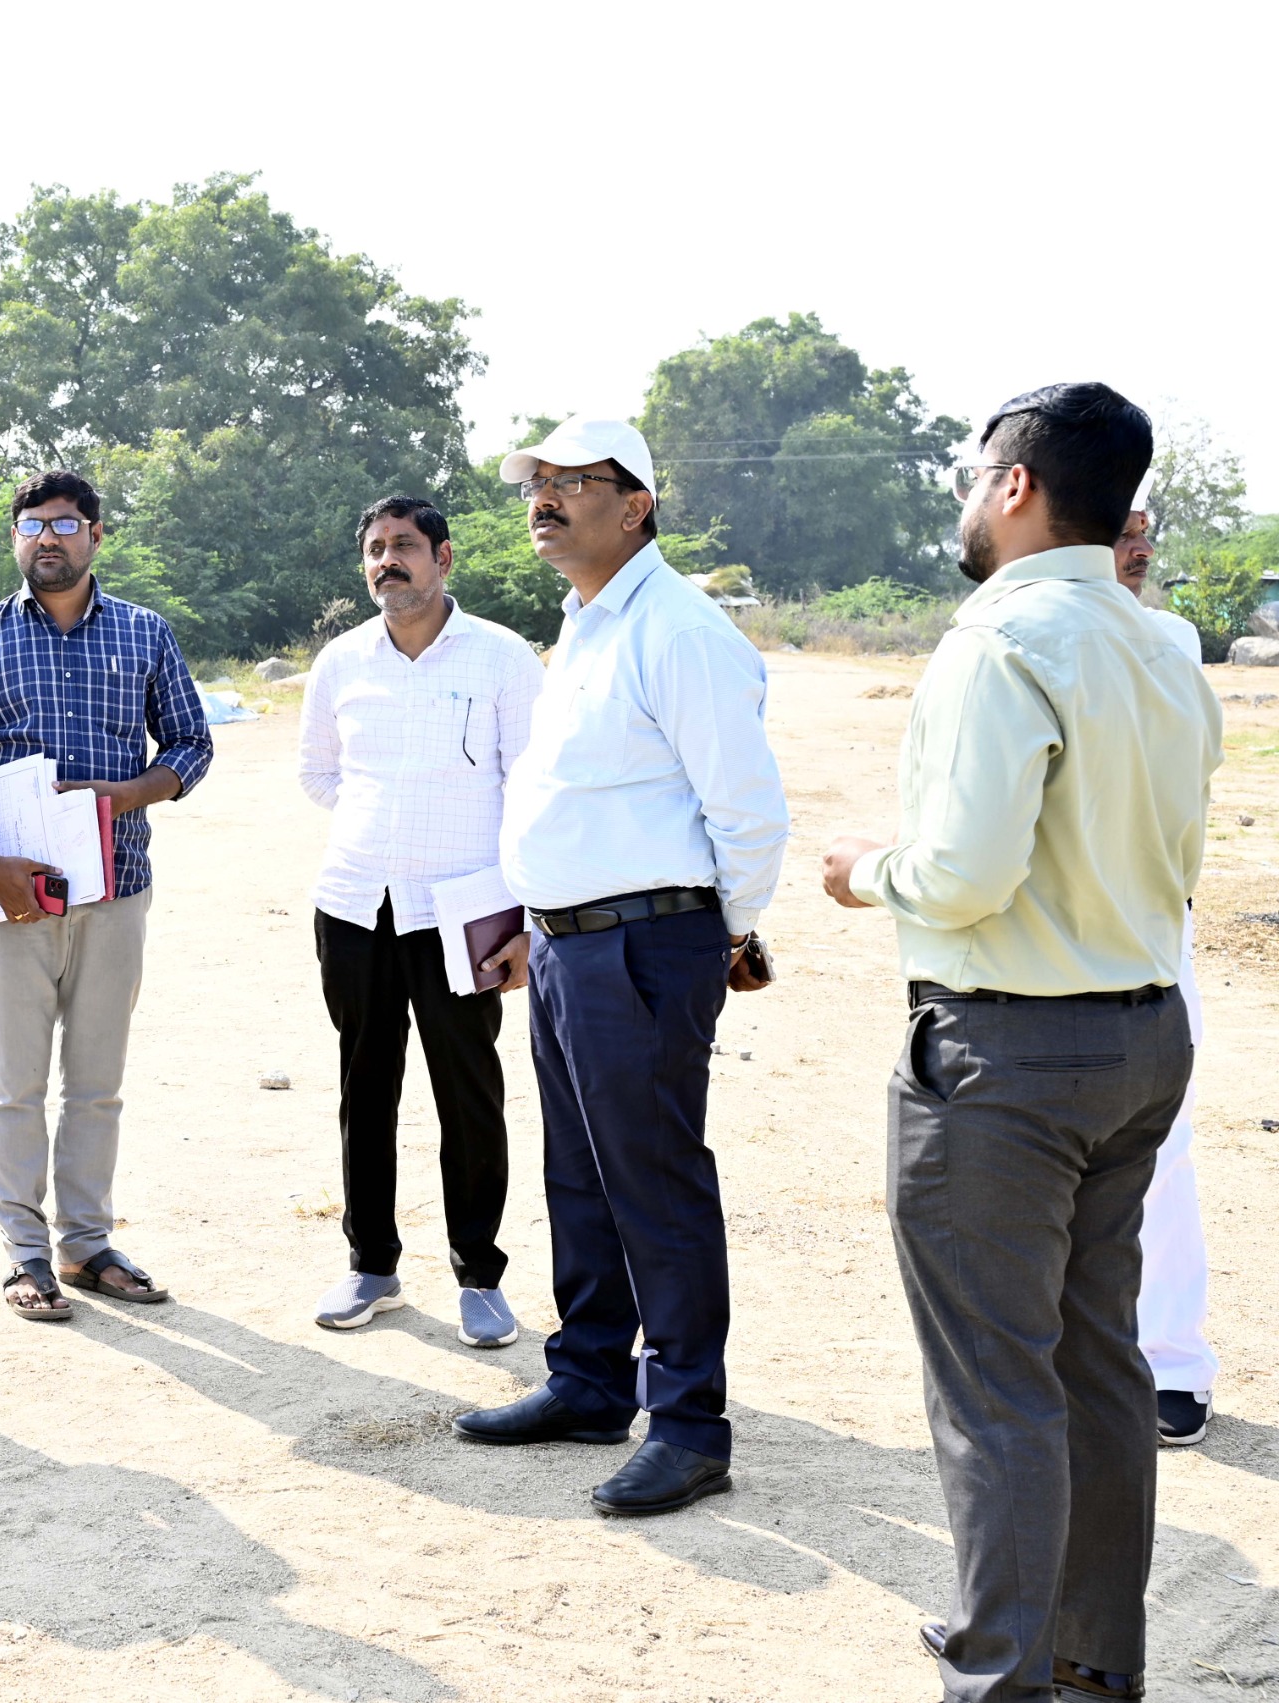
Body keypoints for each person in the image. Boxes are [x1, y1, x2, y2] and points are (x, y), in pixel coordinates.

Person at [821, 384, 1219, 1703]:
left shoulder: (998, 640)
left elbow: (965, 873)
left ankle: (998, 1673)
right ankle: (1094, 1660)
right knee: (1098, 1363)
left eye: (970, 475)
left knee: (996, 1389)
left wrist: (865, 869)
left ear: (1015, 484)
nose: (963, 498)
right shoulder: (1162, 645)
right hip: (1140, 1032)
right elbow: (1176, 863)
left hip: (1008, 1055)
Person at [452, 417, 789, 1519]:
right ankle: (590, 1381)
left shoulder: (678, 630)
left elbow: (746, 808)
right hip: (566, 943)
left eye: (570, 482)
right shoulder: (588, 623)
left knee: (654, 1180)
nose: (542, 500)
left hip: (646, 941)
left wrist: (727, 934)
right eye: (535, 483)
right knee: (580, 1175)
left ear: (635, 504)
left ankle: (688, 1424)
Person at [0, 468, 215, 1324]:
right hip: (13, 897)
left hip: (116, 888)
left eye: (64, 523)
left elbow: (191, 745)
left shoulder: (144, 633)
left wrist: (124, 794)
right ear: (15, 538)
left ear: (94, 535)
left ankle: (86, 1244)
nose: (46, 537)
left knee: (96, 1084)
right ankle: (25, 1253)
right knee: (14, 1086)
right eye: (31, 524)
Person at [297, 496, 545, 1341]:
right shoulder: (341, 661)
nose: (387, 561)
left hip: (463, 911)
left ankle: (480, 1275)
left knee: (468, 1092)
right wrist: (384, 826)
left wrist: (522, 915)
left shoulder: (501, 656)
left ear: (443, 557)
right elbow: (318, 773)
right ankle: (372, 1265)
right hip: (354, 903)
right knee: (364, 1087)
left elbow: (532, 789)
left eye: (403, 545)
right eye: (375, 548)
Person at [1111, 500, 1220, 1447]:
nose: (1139, 545)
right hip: (1039, 936)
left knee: (1161, 1148)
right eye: (1120, 526)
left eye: (1145, 528)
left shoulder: (1167, 640)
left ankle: (1175, 1362)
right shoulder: (995, 637)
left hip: (1147, 922)